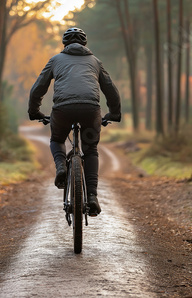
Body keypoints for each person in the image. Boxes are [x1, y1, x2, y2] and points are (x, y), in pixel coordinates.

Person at [28, 27, 121, 216]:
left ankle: (61, 166)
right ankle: (93, 197)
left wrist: (35, 112)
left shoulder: (55, 60)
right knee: (91, 149)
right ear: (85, 44)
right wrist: (114, 113)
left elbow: (38, 87)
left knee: (57, 139)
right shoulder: (95, 62)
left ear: (65, 44)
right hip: (90, 110)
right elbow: (110, 88)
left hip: (63, 109)